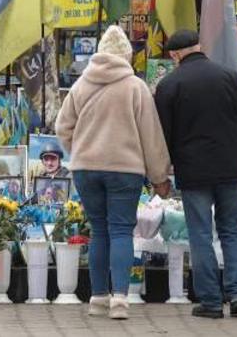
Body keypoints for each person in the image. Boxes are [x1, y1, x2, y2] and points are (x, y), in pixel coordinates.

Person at [55, 25, 171, 321]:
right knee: (121, 231)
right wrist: (159, 177)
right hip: (125, 170)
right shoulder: (135, 87)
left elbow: (62, 127)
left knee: (98, 231)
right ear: (127, 56)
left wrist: (80, 149)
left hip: (86, 169)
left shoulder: (82, 85)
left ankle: (97, 298)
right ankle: (120, 299)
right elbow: (151, 136)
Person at [154, 29, 237, 319]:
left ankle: (211, 302)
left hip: (193, 173)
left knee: (200, 235)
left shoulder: (169, 85)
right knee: (231, 231)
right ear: (199, 47)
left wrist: (159, 175)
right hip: (231, 169)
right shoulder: (231, 78)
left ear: (174, 55)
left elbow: (162, 137)